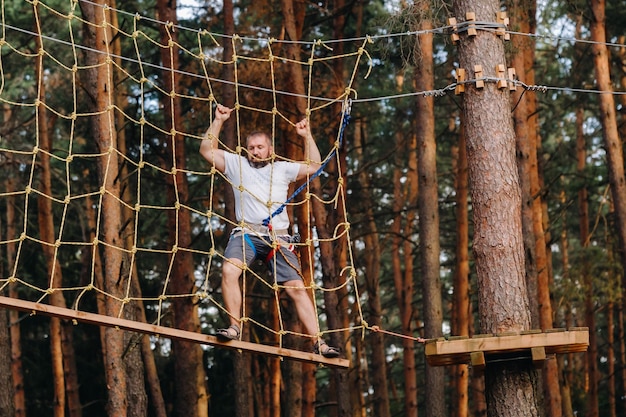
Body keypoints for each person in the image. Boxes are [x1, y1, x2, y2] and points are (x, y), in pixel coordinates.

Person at [200, 104, 340, 358]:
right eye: (251, 147)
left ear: (270, 149)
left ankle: (318, 342)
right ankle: (234, 327)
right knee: (230, 269)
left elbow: (314, 165)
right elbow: (206, 150)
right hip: (247, 234)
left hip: (279, 238)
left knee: (296, 287)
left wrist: (306, 135)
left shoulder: (282, 169)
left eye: (260, 147)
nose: (255, 151)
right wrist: (219, 120)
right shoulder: (236, 164)